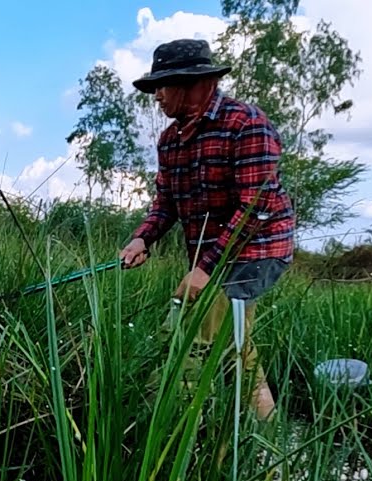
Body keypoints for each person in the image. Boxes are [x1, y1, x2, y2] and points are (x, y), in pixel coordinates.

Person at [118, 38, 294, 420]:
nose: (157, 96)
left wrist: (204, 270)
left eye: (163, 86)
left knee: (189, 335)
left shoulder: (246, 124)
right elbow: (165, 203)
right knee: (234, 345)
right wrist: (142, 238)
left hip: (257, 250)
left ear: (196, 83)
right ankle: (269, 434)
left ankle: (163, 426)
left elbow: (256, 207)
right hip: (211, 255)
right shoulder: (170, 141)